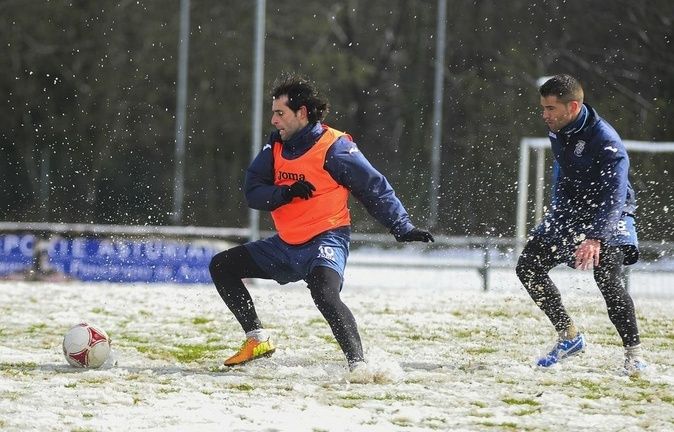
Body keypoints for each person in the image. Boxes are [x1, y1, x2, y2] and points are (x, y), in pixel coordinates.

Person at [209, 73, 434, 371]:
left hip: (326, 240)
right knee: (221, 265)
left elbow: (373, 187)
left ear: (301, 113)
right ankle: (257, 339)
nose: (274, 120)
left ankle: (359, 366)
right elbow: (253, 192)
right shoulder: (275, 147)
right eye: (273, 113)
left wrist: (401, 226)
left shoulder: (335, 148)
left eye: (280, 113)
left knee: (324, 293)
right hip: (286, 244)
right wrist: (285, 193)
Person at [516, 74, 646, 374]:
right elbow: (563, 173)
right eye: (543, 108)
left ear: (572, 106)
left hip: (611, 214)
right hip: (573, 211)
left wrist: (596, 237)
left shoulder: (607, 142)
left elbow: (614, 195)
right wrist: (559, 213)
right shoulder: (559, 129)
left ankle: (634, 354)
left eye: (550, 108)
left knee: (608, 280)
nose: (544, 115)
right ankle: (569, 336)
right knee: (528, 267)